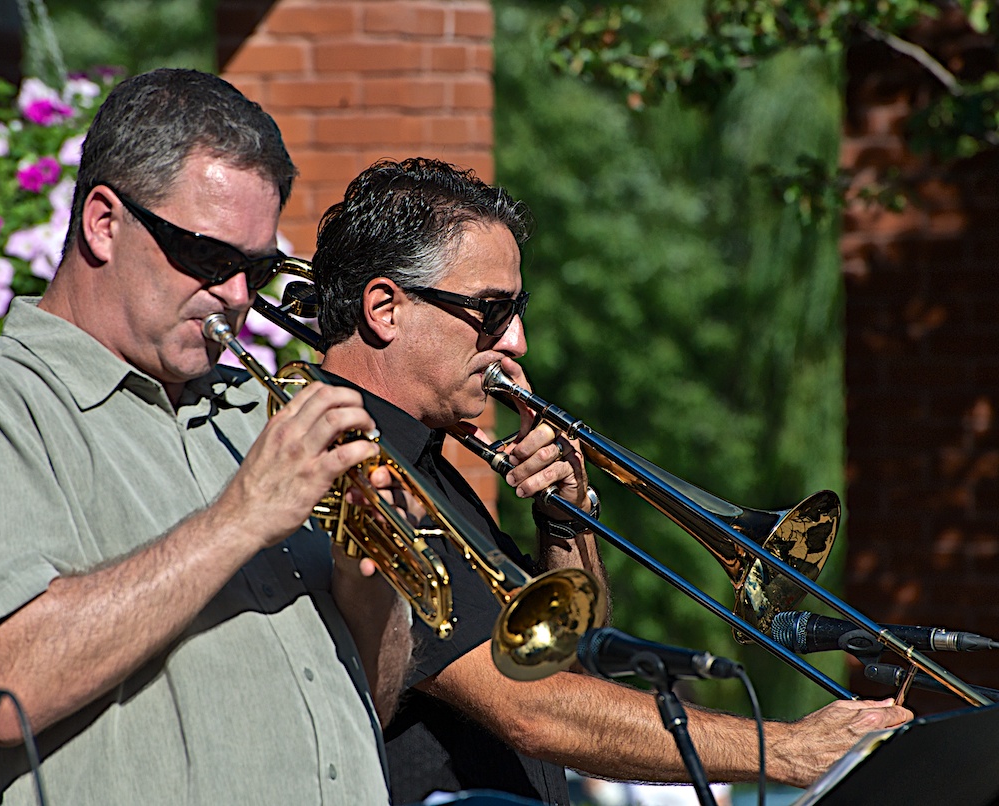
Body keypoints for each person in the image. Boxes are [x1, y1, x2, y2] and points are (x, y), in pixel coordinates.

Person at [310, 157, 913, 805]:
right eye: (489, 310)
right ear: (384, 309)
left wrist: (566, 515)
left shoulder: (436, 464)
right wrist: (788, 749)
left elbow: (563, 658)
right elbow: (532, 709)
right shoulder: (346, 463)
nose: (516, 340)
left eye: (517, 310)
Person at [0, 68, 411, 805]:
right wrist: (239, 519)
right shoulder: (0, 403)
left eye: (258, 268)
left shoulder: (255, 413)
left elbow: (372, 698)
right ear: (104, 223)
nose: (239, 297)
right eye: (210, 259)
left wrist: (370, 585)